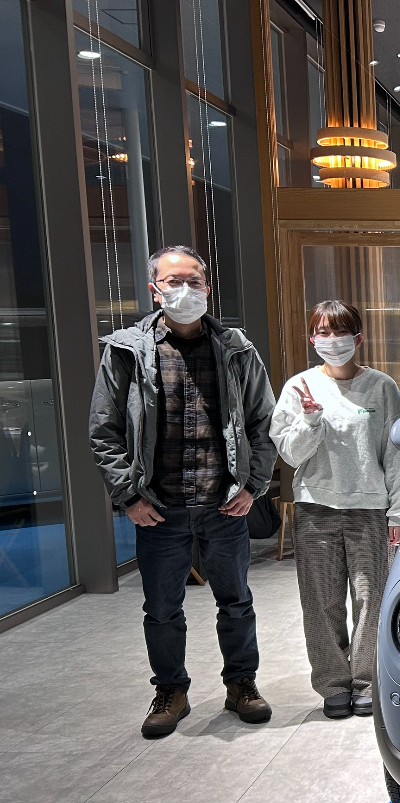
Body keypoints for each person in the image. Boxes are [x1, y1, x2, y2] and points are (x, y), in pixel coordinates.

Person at [89, 245, 278, 738]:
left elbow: (263, 423)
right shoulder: (126, 351)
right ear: (155, 290)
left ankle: (241, 684)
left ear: (207, 288)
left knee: (236, 602)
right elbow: (104, 430)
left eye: (194, 281)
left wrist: (253, 485)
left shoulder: (237, 349)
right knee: (161, 609)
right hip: (159, 506)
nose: (185, 290)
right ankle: (170, 690)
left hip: (224, 503)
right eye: (174, 281)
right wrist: (128, 495)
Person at [270, 300, 400, 718]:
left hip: (369, 509)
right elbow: (291, 454)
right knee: (321, 601)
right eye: (323, 332)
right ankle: (333, 682)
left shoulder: (381, 387)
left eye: (340, 332)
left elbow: (398, 453)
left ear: (358, 338)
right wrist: (310, 420)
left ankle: (366, 679)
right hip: (315, 509)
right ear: (311, 338)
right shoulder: (299, 387)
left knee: (371, 599)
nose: (332, 340)